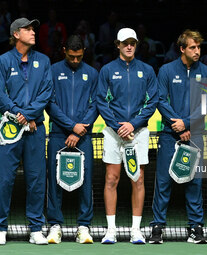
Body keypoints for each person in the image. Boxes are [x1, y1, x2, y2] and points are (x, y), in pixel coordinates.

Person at [149, 29, 207, 244]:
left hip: (195, 134)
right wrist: (177, 124)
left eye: (199, 47)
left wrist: (186, 123)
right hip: (169, 135)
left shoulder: (206, 71)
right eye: (193, 47)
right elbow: (160, 100)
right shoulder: (166, 70)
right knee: (164, 182)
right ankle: (157, 226)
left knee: (194, 182)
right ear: (182, 49)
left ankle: (196, 227)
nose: (197, 51)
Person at [97, 28, 158, 244]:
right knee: (111, 178)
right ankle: (111, 230)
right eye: (125, 43)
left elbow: (152, 102)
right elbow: (101, 101)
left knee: (137, 179)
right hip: (114, 133)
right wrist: (117, 126)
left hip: (138, 133)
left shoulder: (147, 70)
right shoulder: (107, 70)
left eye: (132, 42)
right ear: (117, 45)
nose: (129, 46)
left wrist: (133, 124)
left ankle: (136, 230)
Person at [0, 17, 52, 245]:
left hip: (35, 129)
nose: (33, 32)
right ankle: (1, 227)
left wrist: (29, 115)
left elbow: (46, 91)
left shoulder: (44, 60)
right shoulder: (2, 60)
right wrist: (18, 114)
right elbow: (0, 93)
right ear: (16, 34)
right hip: (10, 128)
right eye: (27, 29)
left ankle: (36, 228)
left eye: (34, 29)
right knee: (4, 180)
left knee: (36, 180)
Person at [45, 35, 98, 244]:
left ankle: (84, 226)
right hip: (59, 134)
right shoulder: (53, 70)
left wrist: (79, 130)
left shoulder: (93, 73)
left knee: (86, 181)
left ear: (84, 51)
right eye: (71, 56)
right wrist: (70, 126)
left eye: (78, 57)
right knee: (55, 181)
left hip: (83, 135)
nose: (75, 60)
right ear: (64, 50)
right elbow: (50, 103)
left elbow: (96, 104)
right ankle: (55, 225)